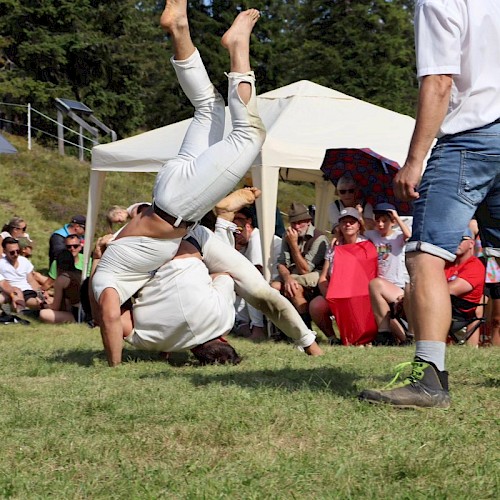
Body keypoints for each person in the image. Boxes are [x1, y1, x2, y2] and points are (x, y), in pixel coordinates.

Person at [92, 1, 266, 366]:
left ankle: (238, 45)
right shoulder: (122, 271)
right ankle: (179, 28)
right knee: (209, 108)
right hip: (169, 193)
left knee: (248, 135)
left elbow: (109, 315)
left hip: (178, 208)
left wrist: (114, 365)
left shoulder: (106, 282)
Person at [360, 1, 500, 408]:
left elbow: (439, 81)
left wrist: (415, 160)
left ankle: (429, 378)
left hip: (470, 137)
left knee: (425, 256)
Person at [309, 207, 369, 344]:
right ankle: (332, 338)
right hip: (335, 293)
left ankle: (358, 337)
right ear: (339, 226)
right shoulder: (334, 246)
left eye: (351, 222)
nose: (348, 225)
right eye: (344, 222)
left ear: (358, 225)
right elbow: (323, 277)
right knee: (316, 306)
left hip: (358, 294)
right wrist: (330, 296)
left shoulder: (366, 244)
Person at [271, 202, 328, 329]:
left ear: (308, 221)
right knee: (274, 288)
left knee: (294, 289)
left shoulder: (319, 238)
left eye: (300, 222)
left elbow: (305, 269)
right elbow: (281, 263)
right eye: (293, 223)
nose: (297, 226)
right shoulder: (288, 235)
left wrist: (294, 245)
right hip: (294, 277)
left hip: (313, 282)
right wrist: (287, 278)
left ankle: (306, 330)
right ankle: (280, 329)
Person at [232, 206, 282, 340]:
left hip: (275, 278)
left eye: (238, 221)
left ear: (248, 223)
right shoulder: (246, 242)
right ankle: (242, 325)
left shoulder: (256, 238)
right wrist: (236, 248)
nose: (235, 228)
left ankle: (257, 328)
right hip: (266, 278)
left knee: (250, 288)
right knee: (236, 292)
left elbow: (256, 271)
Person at [366, 203, 411, 345]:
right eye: (377, 220)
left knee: (375, 285)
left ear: (392, 222)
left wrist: (396, 217)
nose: (380, 224)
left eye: (384, 221)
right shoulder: (373, 235)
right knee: (384, 309)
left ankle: (389, 334)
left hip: (398, 285)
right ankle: (391, 336)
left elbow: (408, 235)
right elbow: (359, 231)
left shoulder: (397, 237)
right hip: (382, 285)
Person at [0, 237, 46, 310]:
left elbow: (31, 281)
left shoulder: (24, 261)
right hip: (10, 292)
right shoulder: (1, 264)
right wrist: (13, 294)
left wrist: (40, 294)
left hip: (27, 292)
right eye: (12, 252)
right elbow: (3, 283)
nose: (15, 254)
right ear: (4, 251)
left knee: (41, 302)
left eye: (17, 251)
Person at [39, 250, 82, 324]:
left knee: (43, 314)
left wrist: (43, 305)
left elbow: (55, 307)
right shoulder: (80, 273)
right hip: (86, 311)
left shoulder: (62, 278)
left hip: (76, 315)